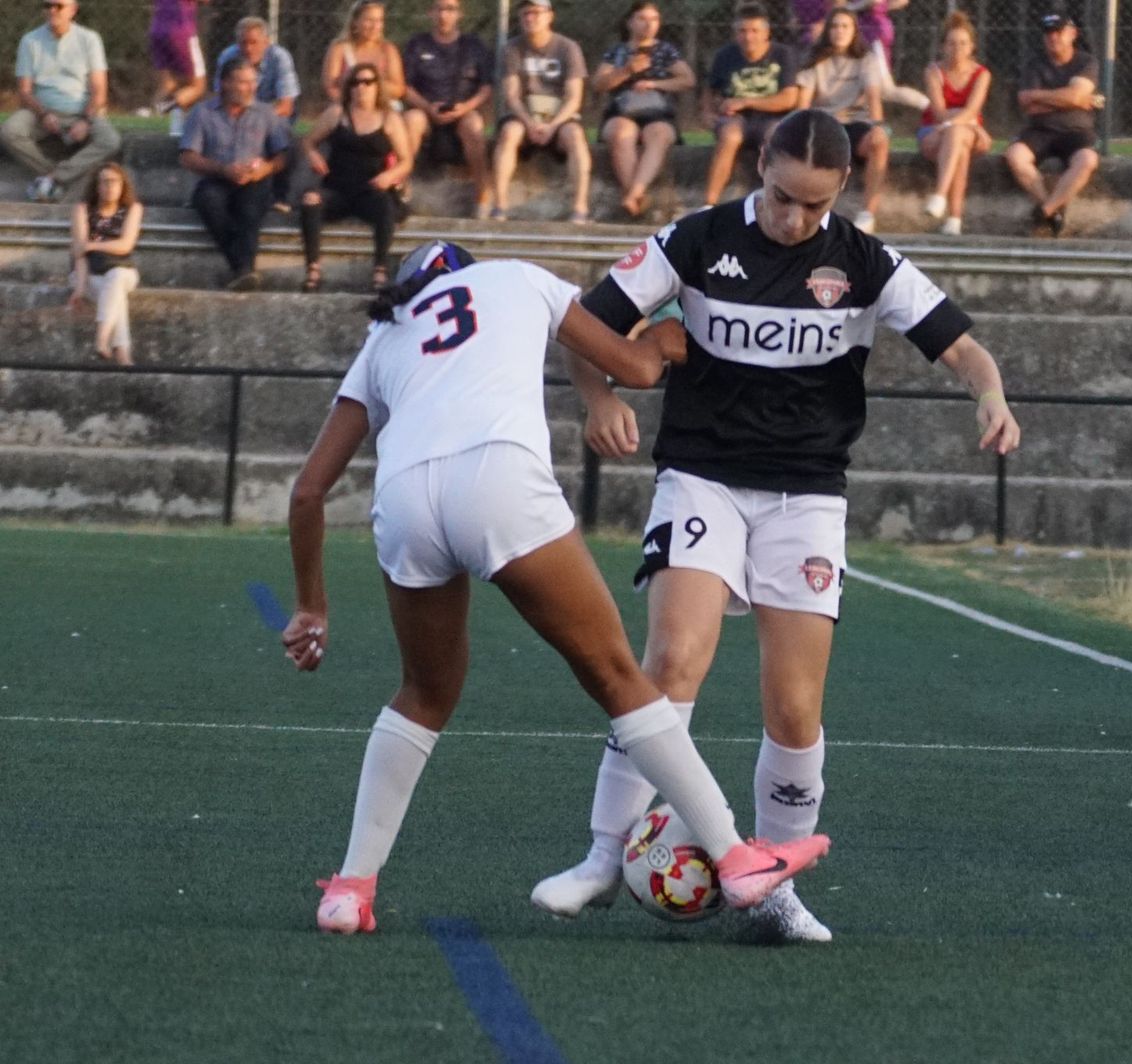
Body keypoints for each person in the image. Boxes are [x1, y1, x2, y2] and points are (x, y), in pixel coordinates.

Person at [530, 109, 1021, 943]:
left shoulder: (865, 262)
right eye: (784, 198)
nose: (797, 220)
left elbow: (963, 347)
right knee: (672, 660)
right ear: (760, 165)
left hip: (808, 495)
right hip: (702, 479)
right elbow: (585, 323)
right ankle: (605, 856)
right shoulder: (693, 239)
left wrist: (991, 392)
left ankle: (780, 885)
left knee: (795, 710)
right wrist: (601, 397)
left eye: (816, 205)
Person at [283, 240, 830, 934]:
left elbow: (307, 492)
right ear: (468, 269)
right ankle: (735, 856)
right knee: (615, 674)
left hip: (405, 496)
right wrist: (663, 340)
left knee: (424, 693)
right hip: (499, 477)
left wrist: (311, 606)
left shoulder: (386, 330)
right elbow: (628, 366)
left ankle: (350, 889)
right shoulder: (514, 275)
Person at [179, 56, 293, 291]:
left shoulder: (266, 113)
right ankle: (244, 269)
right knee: (208, 201)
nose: (251, 87)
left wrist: (265, 169)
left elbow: (283, 155)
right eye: (243, 82)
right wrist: (223, 169)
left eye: (253, 81)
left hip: (254, 179)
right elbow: (187, 156)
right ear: (225, 83)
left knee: (250, 209)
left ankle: (242, 270)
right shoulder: (203, 113)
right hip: (216, 177)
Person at [299, 64, 412, 293]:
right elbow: (308, 141)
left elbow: (406, 161)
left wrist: (389, 176)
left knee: (385, 206)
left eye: (368, 82)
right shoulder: (337, 114)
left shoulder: (389, 118)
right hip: (338, 187)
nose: (361, 88)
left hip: (371, 189)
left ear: (377, 86)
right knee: (310, 201)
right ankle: (313, 268)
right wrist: (313, 155)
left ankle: (380, 268)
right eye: (355, 82)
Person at [2, 0, 121, 205]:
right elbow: (24, 91)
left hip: (81, 110)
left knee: (110, 140)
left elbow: (99, 91)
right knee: (10, 131)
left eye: (58, 6)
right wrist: (44, 114)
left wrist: (85, 120)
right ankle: (54, 175)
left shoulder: (89, 39)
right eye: (47, 5)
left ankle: (54, 179)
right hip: (42, 111)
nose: (52, 11)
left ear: (73, 10)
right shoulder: (30, 41)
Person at [592, 0, 695, 219]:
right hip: (622, 111)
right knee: (621, 133)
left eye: (654, 19)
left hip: (658, 111)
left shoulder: (665, 50)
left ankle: (633, 195)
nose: (649, 24)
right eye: (642, 19)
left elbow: (687, 80)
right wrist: (627, 71)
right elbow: (599, 84)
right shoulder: (617, 51)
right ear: (630, 22)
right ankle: (637, 196)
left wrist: (655, 84)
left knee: (658, 134)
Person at [490, 0, 592, 223]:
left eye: (536, 12)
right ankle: (499, 206)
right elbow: (512, 95)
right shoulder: (512, 48)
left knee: (575, 136)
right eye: (525, 13)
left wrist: (553, 125)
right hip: (524, 115)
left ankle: (580, 207)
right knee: (509, 133)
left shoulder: (568, 48)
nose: (530, 18)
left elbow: (574, 98)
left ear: (549, 16)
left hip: (559, 117)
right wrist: (529, 122)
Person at [1005, 10, 1101, 238]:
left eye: (1058, 32)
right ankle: (1054, 212)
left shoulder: (1086, 62)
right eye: (1048, 33)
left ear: (1072, 34)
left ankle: (1045, 211)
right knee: (1015, 156)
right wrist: (1072, 100)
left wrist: (1041, 96)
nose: (1053, 37)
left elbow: (1076, 95)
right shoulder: (1034, 64)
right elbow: (1028, 105)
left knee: (1087, 160)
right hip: (1040, 129)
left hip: (1076, 131)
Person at [796, 8, 887, 233]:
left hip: (856, 123)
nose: (839, 31)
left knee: (879, 141)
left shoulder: (866, 59)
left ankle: (868, 213)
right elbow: (803, 103)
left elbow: (874, 97)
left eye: (845, 26)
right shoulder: (813, 59)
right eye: (835, 26)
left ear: (854, 31)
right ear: (828, 30)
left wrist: (878, 126)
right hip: (824, 123)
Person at [400, 0, 494, 219]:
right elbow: (405, 87)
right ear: (430, 12)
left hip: (462, 111)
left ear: (459, 14)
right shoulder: (417, 44)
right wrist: (426, 107)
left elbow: (486, 88)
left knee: (474, 125)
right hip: (425, 111)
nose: (444, 15)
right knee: (411, 120)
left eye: (450, 9)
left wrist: (464, 108)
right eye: (439, 9)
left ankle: (483, 195)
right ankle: (402, 188)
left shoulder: (474, 46)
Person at [700, 4, 799, 211]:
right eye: (742, 31)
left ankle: (776, 202)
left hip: (773, 117)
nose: (748, 37)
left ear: (766, 32)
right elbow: (709, 90)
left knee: (775, 137)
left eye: (754, 31)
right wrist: (708, 113)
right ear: (735, 33)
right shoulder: (725, 56)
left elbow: (789, 98)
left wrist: (746, 101)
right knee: (730, 135)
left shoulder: (783, 55)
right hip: (735, 118)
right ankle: (709, 204)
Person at [215, 17, 302, 212]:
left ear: (266, 42)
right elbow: (219, 97)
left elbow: (286, 104)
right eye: (243, 42)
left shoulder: (280, 57)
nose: (248, 48)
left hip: (273, 113)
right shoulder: (227, 57)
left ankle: (281, 196)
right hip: (236, 112)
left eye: (254, 42)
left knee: (284, 136)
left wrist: (257, 119)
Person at [919, 11, 991, 237]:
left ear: (972, 47)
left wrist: (953, 123)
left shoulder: (981, 74)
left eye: (963, 43)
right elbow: (939, 112)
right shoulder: (933, 71)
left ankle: (940, 195)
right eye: (951, 43)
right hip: (935, 132)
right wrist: (957, 123)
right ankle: (954, 219)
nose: (957, 48)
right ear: (942, 46)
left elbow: (973, 109)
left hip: (966, 133)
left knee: (958, 134)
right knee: (958, 142)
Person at [67, 162, 143, 367]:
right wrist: (80, 288)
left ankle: (102, 338)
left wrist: (91, 244)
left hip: (123, 269)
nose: (110, 186)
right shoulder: (82, 210)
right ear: (96, 186)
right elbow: (79, 254)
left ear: (122, 185)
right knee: (115, 295)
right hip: (88, 273)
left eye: (115, 181)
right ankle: (123, 355)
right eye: (104, 181)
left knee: (116, 276)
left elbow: (125, 245)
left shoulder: (132, 209)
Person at [840, 0, 929, 112]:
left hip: (874, 34)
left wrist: (880, 6)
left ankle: (929, 106)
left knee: (887, 90)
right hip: (858, 35)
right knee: (861, 87)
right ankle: (861, 120)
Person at [322, 1, 406, 107]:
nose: (375, 26)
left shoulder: (388, 50)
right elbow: (330, 87)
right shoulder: (339, 48)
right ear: (355, 22)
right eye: (369, 20)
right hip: (347, 106)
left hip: (383, 107)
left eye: (379, 20)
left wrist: (369, 85)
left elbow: (399, 89)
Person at [148, 0, 208, 135]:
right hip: (181, 31)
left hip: (157, 30)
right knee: (197, 87)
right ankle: (161, 109)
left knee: (169, 84)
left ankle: (153, 116)